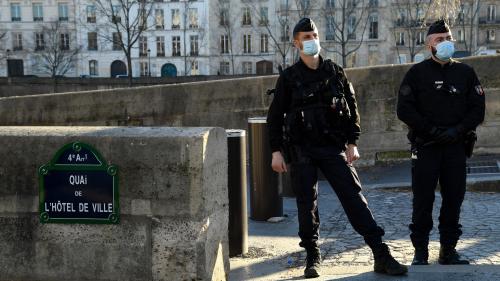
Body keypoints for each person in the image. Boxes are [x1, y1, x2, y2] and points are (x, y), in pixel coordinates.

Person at [267, 18, 407, 278]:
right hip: (302, 150)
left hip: (333, 146)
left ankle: (380, 253)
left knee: (354, 198)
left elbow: (352, 107)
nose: (312, 40)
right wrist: (276, 151)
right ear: (296, 43)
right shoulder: (289, 78)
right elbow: (274, 117)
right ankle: (312, 254)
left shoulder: (334, 71)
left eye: (315, 35)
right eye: (306, 37)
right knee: (306, 205)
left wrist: (353, 142)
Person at [397, 19, 486, 266]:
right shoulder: (416, 74)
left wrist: (457, 130)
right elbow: (404, 109)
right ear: (429, 45)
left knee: (453, 199)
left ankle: (448, 250)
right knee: (423, 200)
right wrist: (432, 131)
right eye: (439, 39)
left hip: (456, 146)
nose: (445, 42)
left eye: (448, 38)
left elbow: (477, 109)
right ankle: (420, 252)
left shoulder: (466, 73)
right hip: (427, 147)